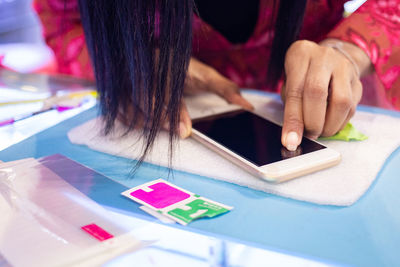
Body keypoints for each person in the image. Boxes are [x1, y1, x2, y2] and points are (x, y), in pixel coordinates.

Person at [34, 0, 400, 161]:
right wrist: (127, 60)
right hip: (157, 126)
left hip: (332, 91)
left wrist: (347, 50)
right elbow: (64, 21)